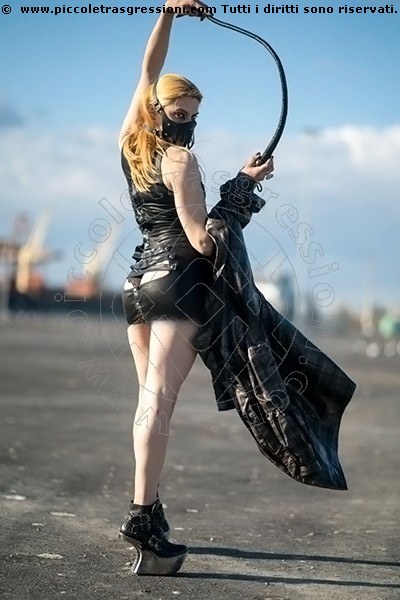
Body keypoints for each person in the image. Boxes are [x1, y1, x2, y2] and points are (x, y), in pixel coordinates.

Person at [118, 0, 274, 575]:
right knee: (157, 404)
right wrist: (241, 189)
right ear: (161, 111)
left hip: (138, 284)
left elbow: (147, 71)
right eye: (181, 113)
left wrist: (167, 14)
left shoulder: (131, 145)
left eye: (192, 116)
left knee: (148, 403)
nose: (186, 123)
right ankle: (142, 520)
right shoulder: (179, 159)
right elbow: (202, 242)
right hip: (178, 285)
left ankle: (151, 510)